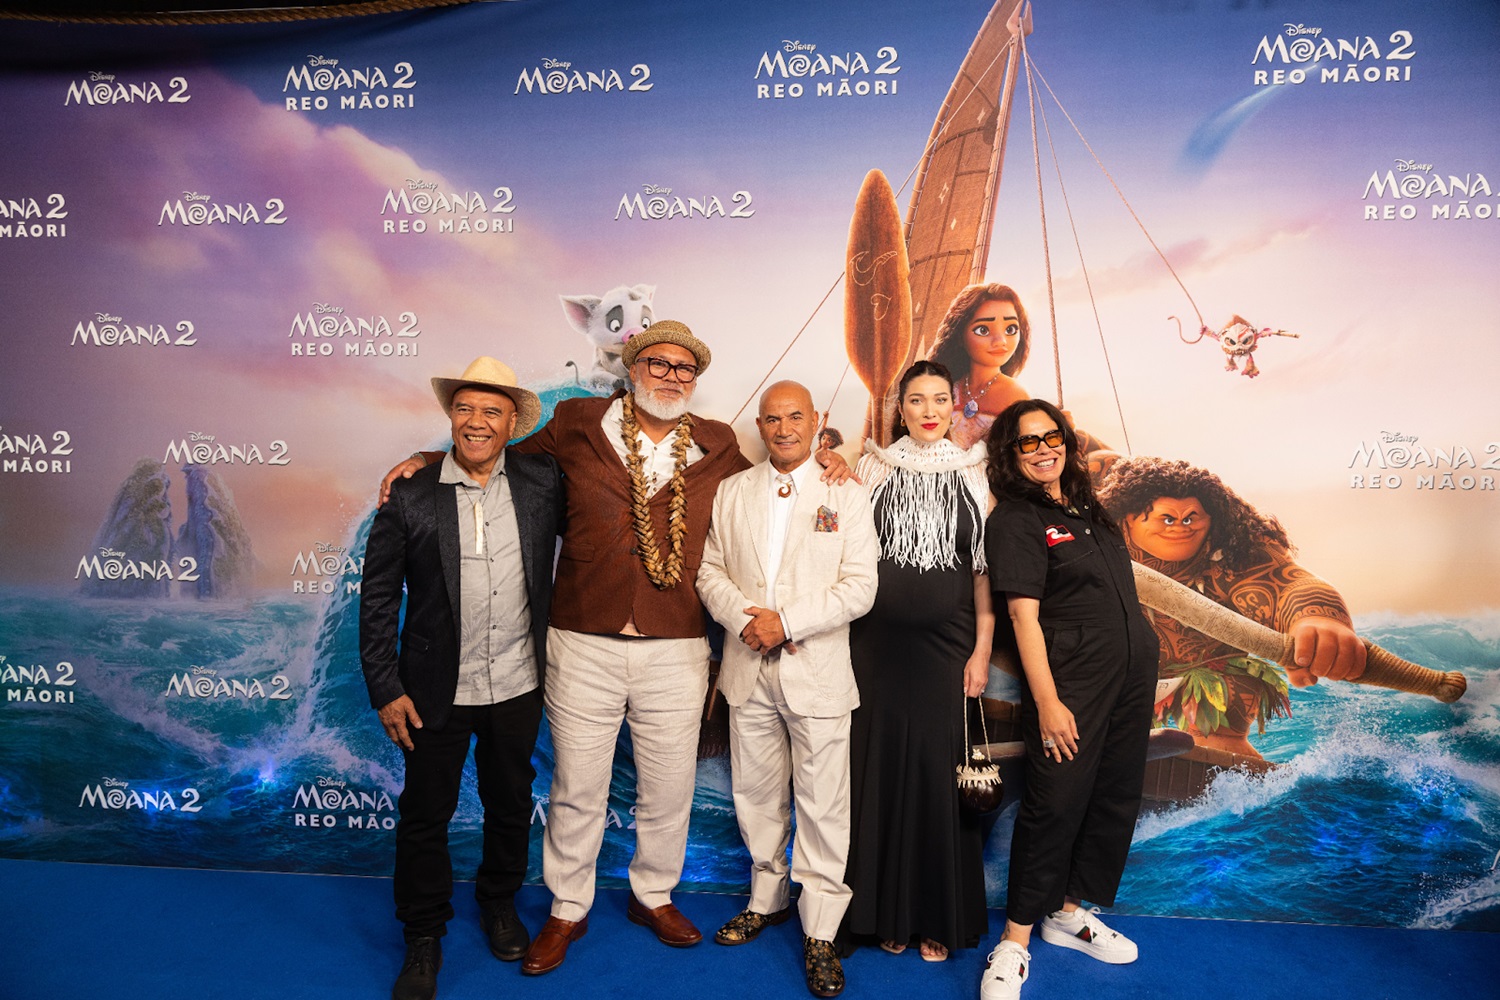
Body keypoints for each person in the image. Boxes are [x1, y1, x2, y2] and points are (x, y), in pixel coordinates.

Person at [377, 321, 852, 976]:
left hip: (677, 643)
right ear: (632, 368)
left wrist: (828, 463)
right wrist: (429, 461)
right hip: (581, 640)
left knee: (669, 787)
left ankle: (652, 895)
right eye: (658, 363)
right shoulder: (576, 422)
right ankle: (568, 906)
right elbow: (493, 455)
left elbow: (773, 486)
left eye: (684, 368)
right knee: (577, 786)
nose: (671, 377)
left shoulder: (717, 443)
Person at [360, 357, 563, 1000]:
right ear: (451, 415)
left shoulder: (541, 481)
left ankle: (498, 903)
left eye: (491, 411)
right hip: (431, 689)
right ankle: (423, 935)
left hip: (518, 682)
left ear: (512, 423)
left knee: (510, 804)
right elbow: (378, 597)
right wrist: (385, 686)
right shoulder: (411, 494)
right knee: (425, 815)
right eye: (466, 409)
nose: (477, 422)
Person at [696, 381, 879, 998]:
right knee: (755, 794)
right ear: (760, 425)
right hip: (747, 665)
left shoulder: (845, 492)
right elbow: (709, 571)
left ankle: (821, 928)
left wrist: (788, 623)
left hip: (817, 671)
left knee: (824, 804)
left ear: (815, 419)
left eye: (795, 416)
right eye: (772, 419)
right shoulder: (733, 491)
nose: (783, 429)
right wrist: (745, 620)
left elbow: (861, 586)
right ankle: (766, 899)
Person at [978, 399, 1157, 1000]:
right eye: (1027, 442)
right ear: (1010, 454)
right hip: (1071, 682)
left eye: (1050, 437)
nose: (1043, 450)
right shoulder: (1016, 519)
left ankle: (1068, 912)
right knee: (1054, 804)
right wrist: (1049, 702)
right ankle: (1014, 943)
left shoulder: (1087, 509)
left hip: (1130, 678)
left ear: (1066, 442)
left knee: (1112, 797)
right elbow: (1022, 619)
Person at [841, 359, 993, 963]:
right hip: (872, 647)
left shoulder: (977, 473)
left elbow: (983, 575)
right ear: (898, 408)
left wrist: (982, 651)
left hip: (948, 649)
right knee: (872, 771)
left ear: (954, 406)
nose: (929, 411)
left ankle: (935, 915)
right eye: (916, 400)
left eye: (939, 399)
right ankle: (881, 914)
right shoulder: (871, 467)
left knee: (936, 775)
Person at [1096, 456, 1365, 756]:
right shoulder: (1091, 529)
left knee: (1222, 717)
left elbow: (1287, 583)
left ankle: (1219, 757)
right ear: (1129, 517)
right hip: (1111, 672)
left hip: (1209, 675)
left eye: (1191, 518)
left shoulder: (1235, 552)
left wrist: (1318, 618)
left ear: (1212, 517)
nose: (1181, 527)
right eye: (1168, 519)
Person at [927, 283, 1032, 449]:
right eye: (983, 330)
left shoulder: (1016, 396)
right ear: (960, 335)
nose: (1000, 341)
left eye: (1011, 329)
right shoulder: (948, 388)